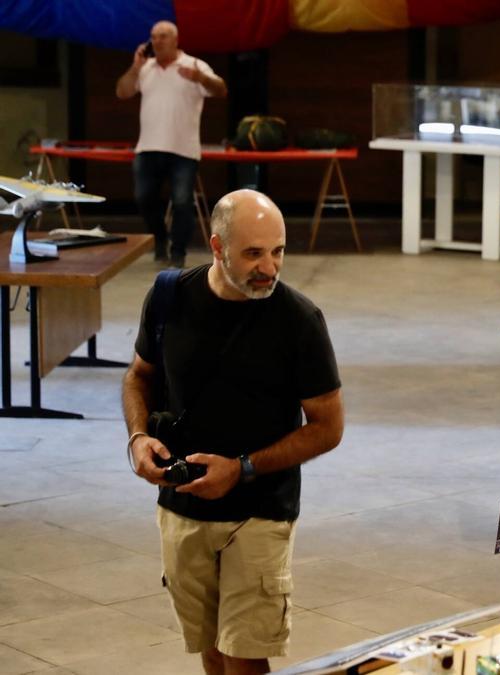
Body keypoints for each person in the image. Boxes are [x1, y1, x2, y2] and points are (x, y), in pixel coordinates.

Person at [122, 189, 343, 675]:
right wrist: (138, 437)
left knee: (245, 656)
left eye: (278, 251)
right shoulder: (168, 297)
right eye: (253, 253)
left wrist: (242, 468)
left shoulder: (299, 321)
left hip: (260, 510)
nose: (269, 267)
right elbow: (140, 375)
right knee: (211, 648)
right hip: (182, 505)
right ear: (217, 246)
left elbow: (328, 428)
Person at [116, 20, 227, 268]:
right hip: (147, 148)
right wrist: (135, 67)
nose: (157, 41)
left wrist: (200, 77)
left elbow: (221, 89)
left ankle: (178, 252)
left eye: (163, 36)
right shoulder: (145, 68)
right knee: (144, 198)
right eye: (154, 37)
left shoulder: (194, 64)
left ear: (176, 40)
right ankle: (159, 241)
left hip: (183, 150)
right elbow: (122, 92)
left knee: (181, 202)